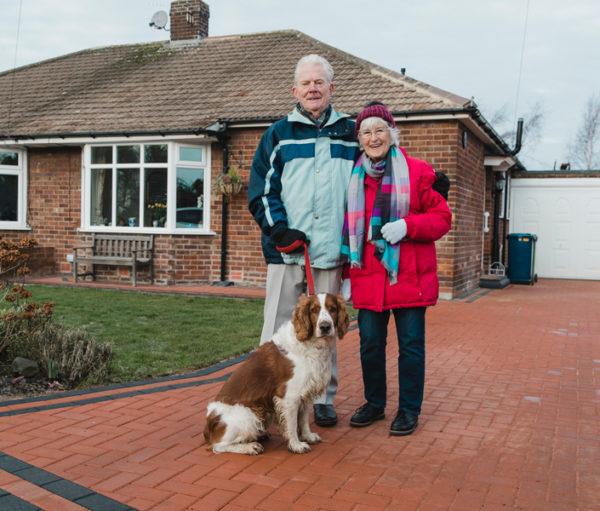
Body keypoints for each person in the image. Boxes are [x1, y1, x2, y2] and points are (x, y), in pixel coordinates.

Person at [248, 54, 357, 427]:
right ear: (295, 90)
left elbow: (381, 168)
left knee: (325, 331)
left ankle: (321, 398)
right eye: (306, 83)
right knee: (278, 329)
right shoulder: (278, 134)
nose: (313, 89)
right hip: (285, 251)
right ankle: (263, 395)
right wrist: (278, 229)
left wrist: (426, 183)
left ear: (331, 87)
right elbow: (262, 189)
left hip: (328, 253)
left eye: (319, 82)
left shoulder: (351, 132)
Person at [341, 102, 452, 436]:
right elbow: (346, 227)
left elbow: (442, 218)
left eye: (379, 130)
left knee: (411, 347)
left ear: (391, 133)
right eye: (366, 132)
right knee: (370, 345)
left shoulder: (417, 171)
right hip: (368, 277)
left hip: (408, 277)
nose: (374, 138)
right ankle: (375, 404)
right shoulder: (353, 177)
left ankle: (408, 410)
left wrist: (407, 225)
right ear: (359, 139)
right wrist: (348, 274)